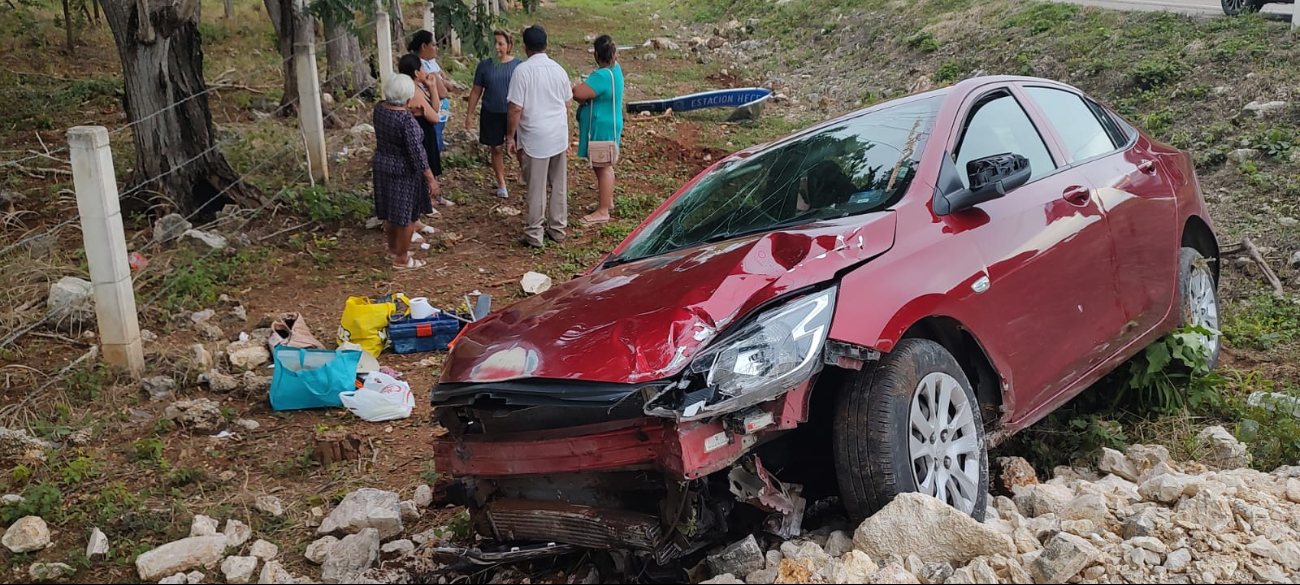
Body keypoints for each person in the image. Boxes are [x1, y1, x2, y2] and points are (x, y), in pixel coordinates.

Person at [506, 25, 573, 248]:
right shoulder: (559, 70)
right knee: (558, 184)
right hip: (558, 135)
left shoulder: (522, 71)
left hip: (535, 137)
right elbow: (567, 105)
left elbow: (515, 108)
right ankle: (558, 228)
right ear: (546, 44)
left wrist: (510, 136)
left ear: (525, 47)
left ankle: (535, 233)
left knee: (536, 187)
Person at [372, 73, 439, 270]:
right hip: (403, 171)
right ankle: (402, 259)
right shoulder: (406, 121)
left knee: (389, 212)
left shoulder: (380, 109)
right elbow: (416, 153)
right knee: (407, 216)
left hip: (382, 164)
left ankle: (393, 250)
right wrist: (430, 179)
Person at [573, 35, 625, 226]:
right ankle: (607, 201)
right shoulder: (615, 69)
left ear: (596, 54)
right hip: (608, 123)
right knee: (602, 164)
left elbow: (578, 93)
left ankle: (603, 211)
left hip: (602, 125)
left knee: (602, 166)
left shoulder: (602, 75)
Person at [465, 29, 522, 199]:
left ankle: (525, 175)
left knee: (521, 147)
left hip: (515, 113)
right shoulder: (484, 66)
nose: (497, 47)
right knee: (496, 148)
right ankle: (501, 183)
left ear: (509, 46)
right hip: (491, 112)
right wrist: (469, 114)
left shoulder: (519, 65)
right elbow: (476, 92)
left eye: (501, 44)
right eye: (494, 43)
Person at [396, 54, 444, 243]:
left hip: (422, 131)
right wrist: (431, 92)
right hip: (419, 133)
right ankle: (411, 220)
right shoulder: (413, 92)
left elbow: (434, 109)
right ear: (416, 73)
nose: (426, 71)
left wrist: (432, 87)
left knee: (418, 179)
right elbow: (434, 116)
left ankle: (416, 219)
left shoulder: (415, 87)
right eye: (423, 68)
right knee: (417, 178)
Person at [407, 30, 455, 207]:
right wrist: (439, 83)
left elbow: (448, 84)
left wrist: (443, 82)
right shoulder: (422, 69)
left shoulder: (430, 64)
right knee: (427, 155)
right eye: (433, 44)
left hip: (436, 116)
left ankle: (434, 194)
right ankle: (430, 195)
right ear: (423, 46)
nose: (436, 48)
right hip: (430, 119)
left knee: (433, 153)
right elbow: (443, 92)